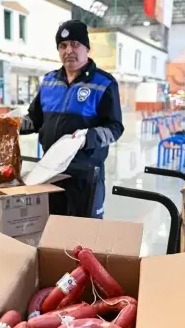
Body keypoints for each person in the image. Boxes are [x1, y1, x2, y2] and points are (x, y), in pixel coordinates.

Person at [19, 20, 123, 219]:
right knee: (51, 231)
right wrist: (12, 125)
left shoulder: (104, 83)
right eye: (63, 45)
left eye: (75, 44)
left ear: (87, 49)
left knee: (85, 234)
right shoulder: (49, 81)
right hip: (50, 173)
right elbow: (35, 119)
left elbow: (115, 128)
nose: (69, 50)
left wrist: (88, 137)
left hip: (85, 176)